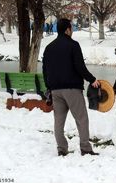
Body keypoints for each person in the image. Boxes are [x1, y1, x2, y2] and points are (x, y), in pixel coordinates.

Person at [43, 18, 100, 157]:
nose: (72, 31)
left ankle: (62, 149)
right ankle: (85, 148)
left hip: (55, 90)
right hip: (72, 89)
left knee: (59, 121)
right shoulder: (73, 45)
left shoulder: (49, 48)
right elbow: (79, 66)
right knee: (81, 119)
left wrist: (49, 87)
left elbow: (45, 70)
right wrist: (92, 79)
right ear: (68, 29)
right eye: (72, 28)